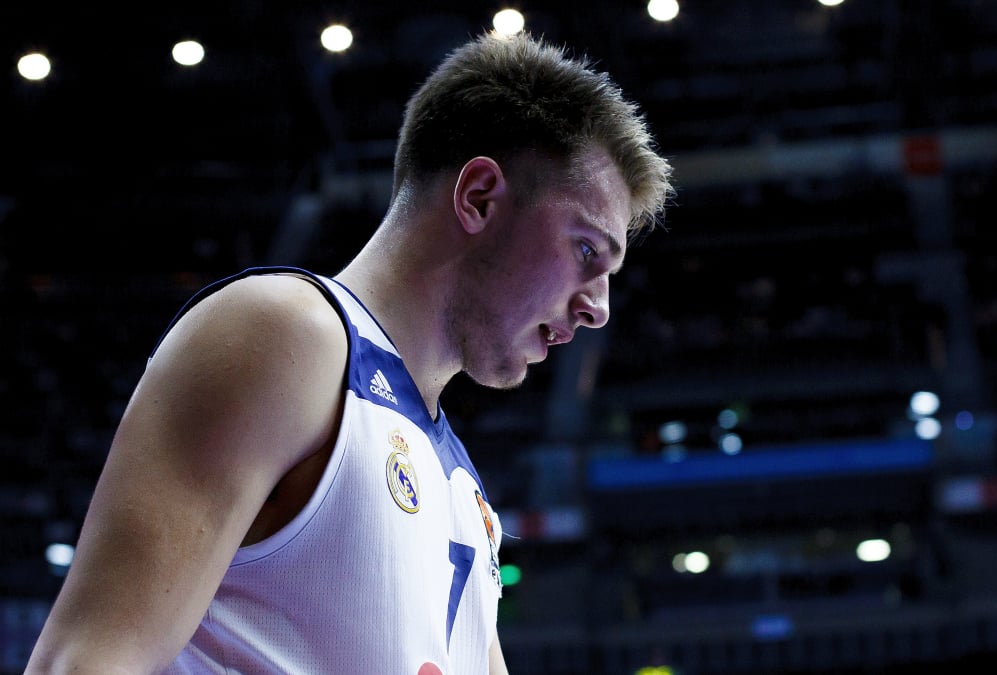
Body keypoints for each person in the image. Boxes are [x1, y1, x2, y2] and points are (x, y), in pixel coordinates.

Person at [26, 30, 673, 675]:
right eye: (587, 251)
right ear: (479, 197)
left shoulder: (467, 498)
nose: (599, 307)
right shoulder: (284, 335)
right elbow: (81, 663)